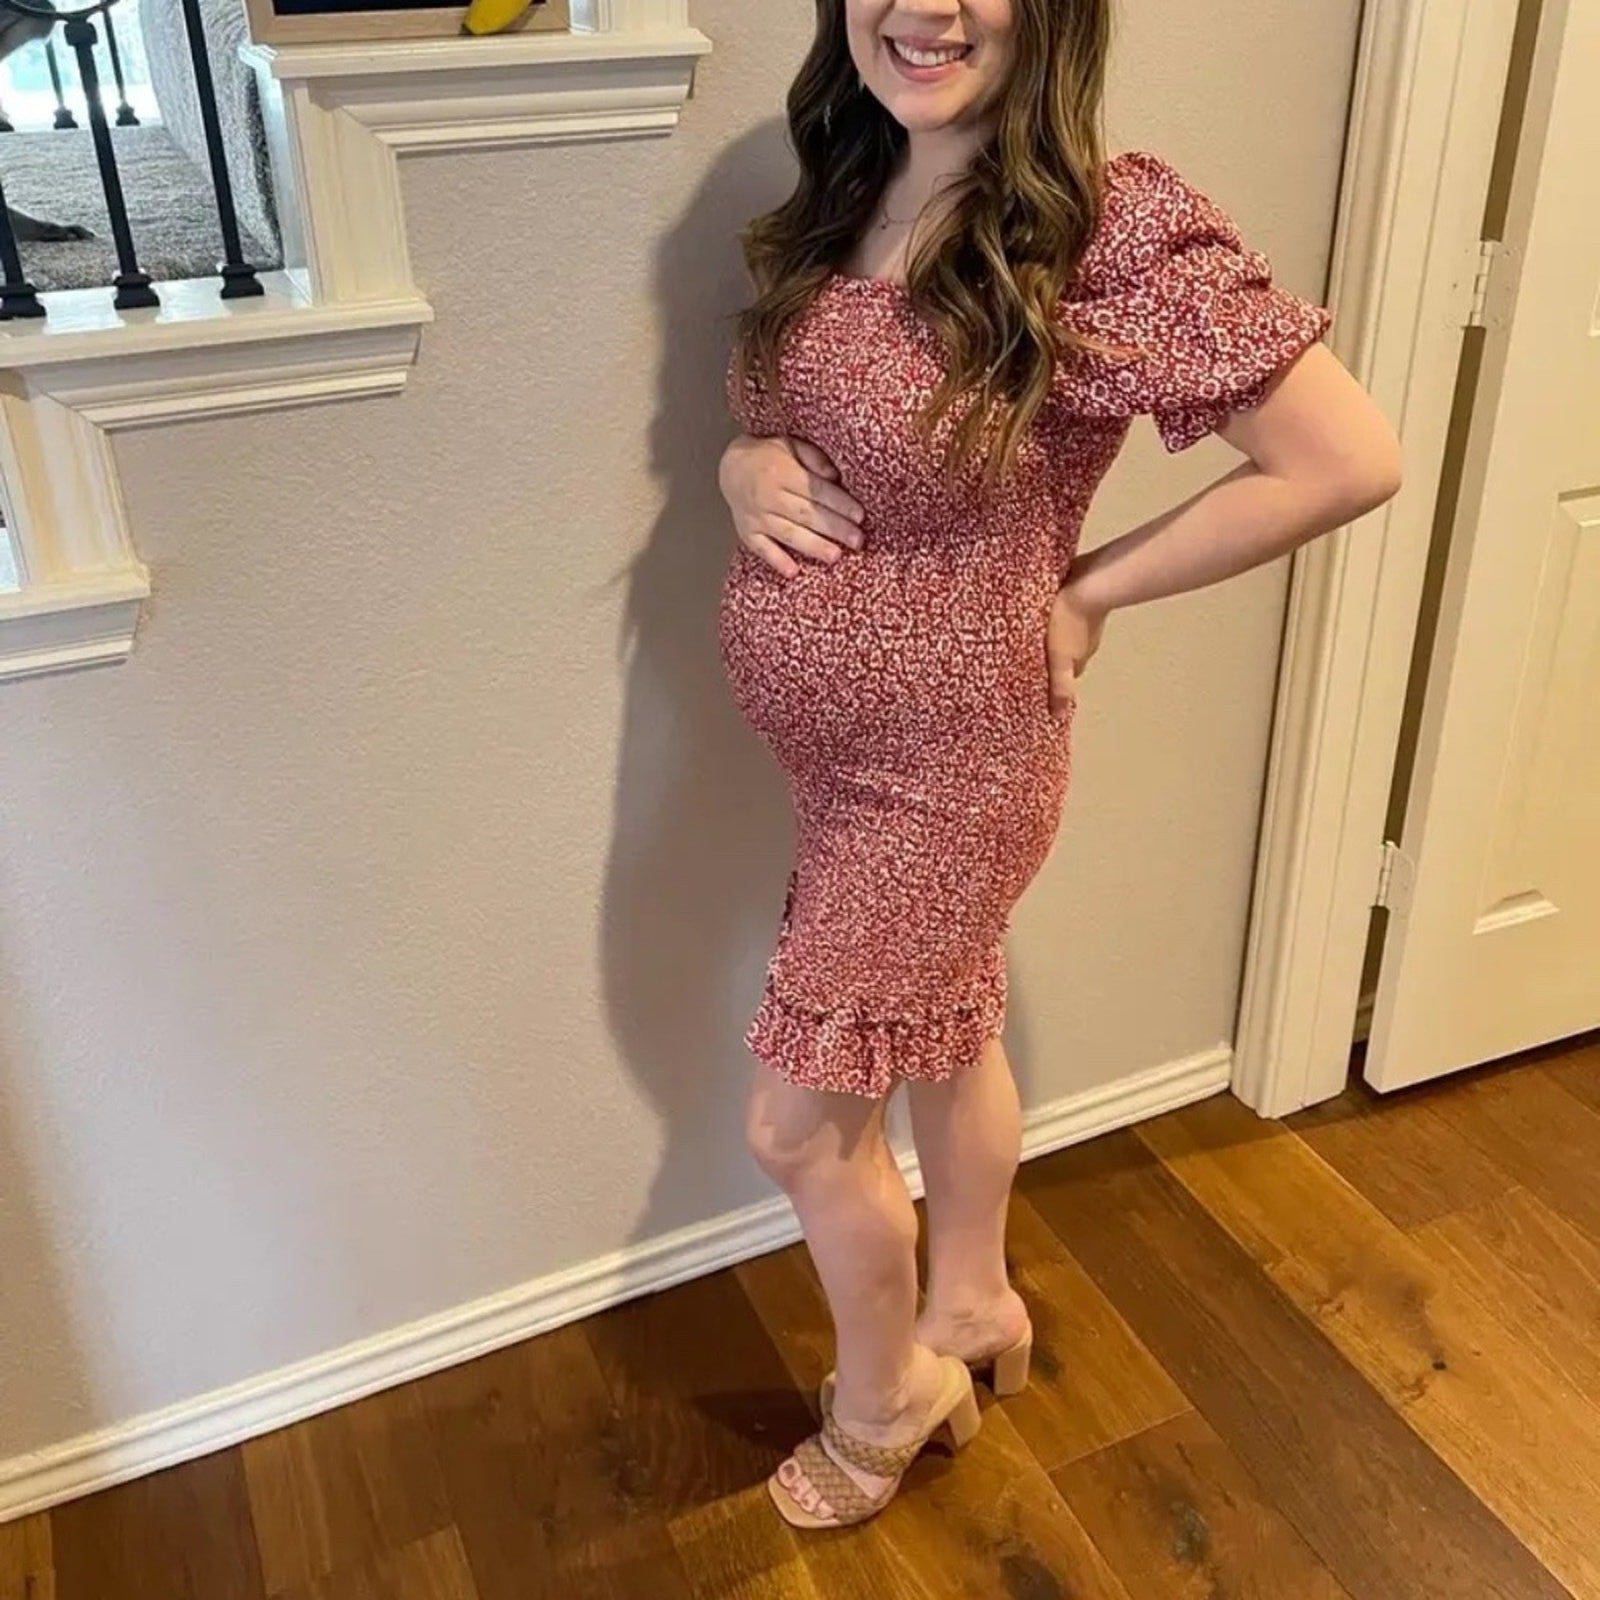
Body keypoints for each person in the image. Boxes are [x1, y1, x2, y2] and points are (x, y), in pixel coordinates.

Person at [716, 0, 1402, 1532]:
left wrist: (1091, 592)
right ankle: (973, 1304)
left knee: (797, 1128)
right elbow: (796, 415)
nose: (926, 6)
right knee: (956, 1023)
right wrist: (739, 464)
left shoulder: (1103, 229)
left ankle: (888, 1397)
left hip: (952, 770)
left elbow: (1346, 457)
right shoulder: (848, 184)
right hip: (839, 765)